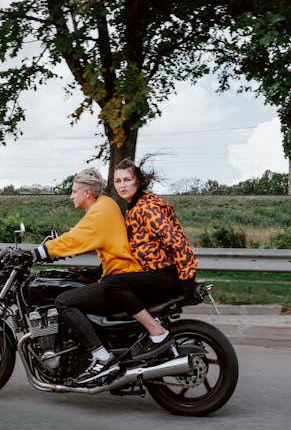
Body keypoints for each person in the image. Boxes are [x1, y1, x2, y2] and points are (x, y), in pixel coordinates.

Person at [30, 168, 142, 384]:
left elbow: (75, 239)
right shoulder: (106, 204)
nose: (71, 196)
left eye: (74, 191)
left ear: (87, 193)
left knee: (64, 302)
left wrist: (38, 253)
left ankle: (102, 357)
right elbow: (85, 237)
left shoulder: (99, 212)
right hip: (120, 274)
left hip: (121, 278)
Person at [103, 156, 199, 357]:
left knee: (113, 285)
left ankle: (156, 331)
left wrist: (187, 278)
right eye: (118, 181)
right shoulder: (134, 207)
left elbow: (177, 242)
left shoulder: (146, 208)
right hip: (153, 273)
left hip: (164, 274)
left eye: (127, 180)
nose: (122, 185)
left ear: (137, 181)